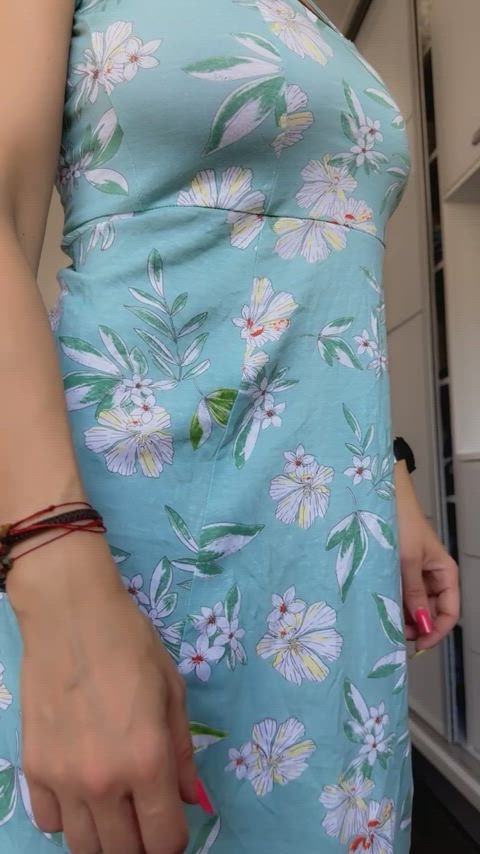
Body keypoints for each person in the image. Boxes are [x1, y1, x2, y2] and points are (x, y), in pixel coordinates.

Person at [0, 0, 460, 852]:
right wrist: (53, 574)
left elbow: (321, 281)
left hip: (324, 569)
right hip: (113, 558)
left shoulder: (310, 15)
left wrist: (386, 482)